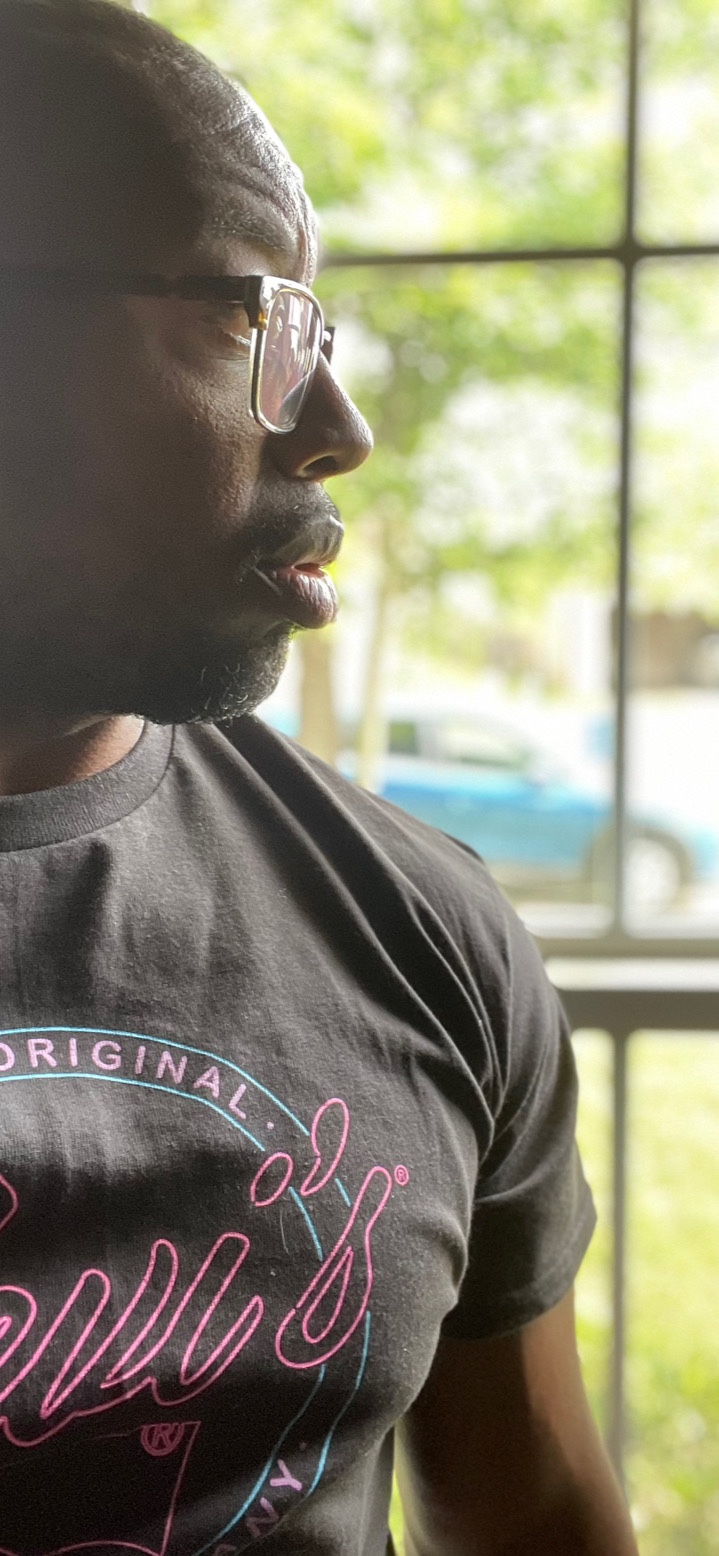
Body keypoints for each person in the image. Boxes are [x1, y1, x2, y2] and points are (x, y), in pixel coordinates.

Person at [0, 3, 638, 1553]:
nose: (338, 429)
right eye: (252, 318)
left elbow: (536, 1510)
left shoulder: (421, 931)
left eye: (324, 335)